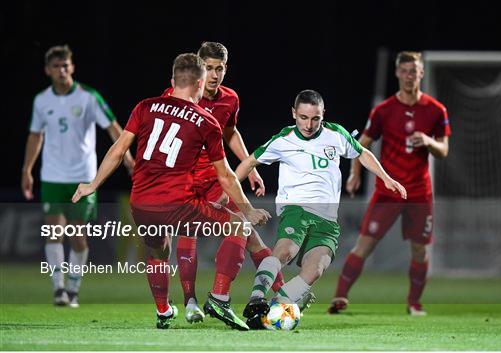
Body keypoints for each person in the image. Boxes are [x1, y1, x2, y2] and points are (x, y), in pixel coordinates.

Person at [72, 53, 270, 330]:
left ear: (173, 81)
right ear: (200, 84)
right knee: (239, 226)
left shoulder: (145, 106)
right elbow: (225, 175)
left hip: (140, 203)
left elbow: (118, 151)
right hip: (179, 203)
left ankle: (164, 310)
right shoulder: (206, 120)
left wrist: (92, 184)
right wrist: (248, 209)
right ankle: (219, 298)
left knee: (158, 252)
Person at [235, 89, 407, 329]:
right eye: (303, 117)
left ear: (322, 114)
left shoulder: (335, 134)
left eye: (315, 118)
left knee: (316, 269)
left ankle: (272, 311)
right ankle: (256, 298)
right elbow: (249, 161)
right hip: (296, 207)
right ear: (294, 113)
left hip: (327, 218)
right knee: (285, 250)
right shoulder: (284, 140)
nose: (309, 124)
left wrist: (386, 178)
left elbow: (362, 153)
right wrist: (232, 195)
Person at [162, 42, 285, 324]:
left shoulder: (230, 99)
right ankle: (191, 300)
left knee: (249, 235)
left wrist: (250, 166)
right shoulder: (178, 96)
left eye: (219, 69)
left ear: (226, 69)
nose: (214, 75)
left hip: (218, 178)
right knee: (189, 233)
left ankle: (283, 294)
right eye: (208, 68)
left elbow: (230, 132)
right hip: (186, 181)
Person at [328, 51, 451, 316]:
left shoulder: (435, 110)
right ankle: (339, 297)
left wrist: (429, 142)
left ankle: (414, 304)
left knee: (419, 250)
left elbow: (444, 150)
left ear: (421, 73)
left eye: (414, 71)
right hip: (388, 191)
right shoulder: (383, 111)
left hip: (419, 192)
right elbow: (361, 144)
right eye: (404, 71)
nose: (409, 76)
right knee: (365, 244)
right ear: (397, 73)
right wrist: (355, 173)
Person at [22, 45, 134, 307]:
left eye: (66, 65)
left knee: (77, 236)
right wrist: (27, 169)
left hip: (82, 177)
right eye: (57, 66)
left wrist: (127, 158)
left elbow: (113, 127)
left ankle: (74, 287)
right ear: (48, 70)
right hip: (52, 176)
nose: (62, 70)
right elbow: (35, 136)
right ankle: (59, 289)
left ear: (72, 67)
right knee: (53, 232)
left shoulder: (88, 97)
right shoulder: (41, 100)